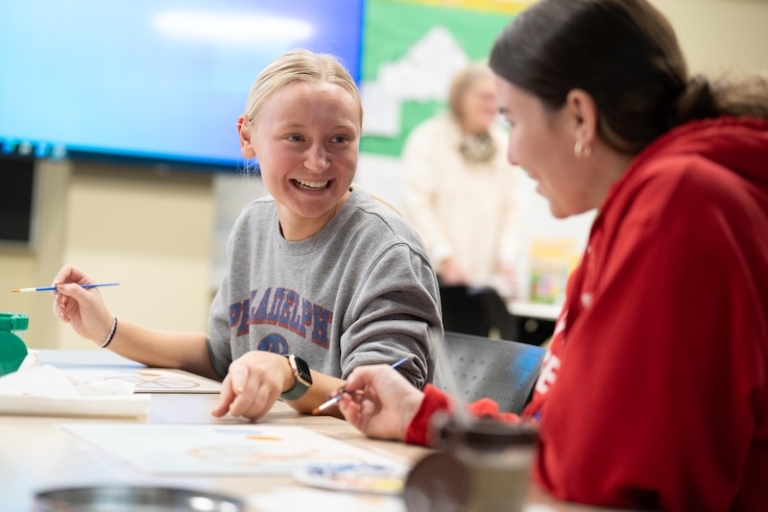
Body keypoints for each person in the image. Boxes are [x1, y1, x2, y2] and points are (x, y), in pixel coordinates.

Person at [336, 1, 768, 510]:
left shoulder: (677, 204)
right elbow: (563, 436)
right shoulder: (648, 206)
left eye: (512, 120)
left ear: (581, 116)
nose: (512, 153)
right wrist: (426, 415)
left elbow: (607, 476)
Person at [52, 49, 442, 423]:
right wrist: (107, 329)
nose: (318, 161)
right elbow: (221, 357)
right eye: (295, 138)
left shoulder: (389, 251)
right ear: (247, 137)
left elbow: (380, 398)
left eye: (339, 139)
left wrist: (288, 374)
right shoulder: (252, 227)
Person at [402, 62, 524, 297]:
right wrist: (444, 257)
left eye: (496, 98)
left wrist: (507, 259)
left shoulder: (503, 145)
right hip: (433, 277)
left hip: (483, 282)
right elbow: (417, 204)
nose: (492, 106)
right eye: (485, 97)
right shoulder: (428, 138)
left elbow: (513, 209)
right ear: (460, 98)